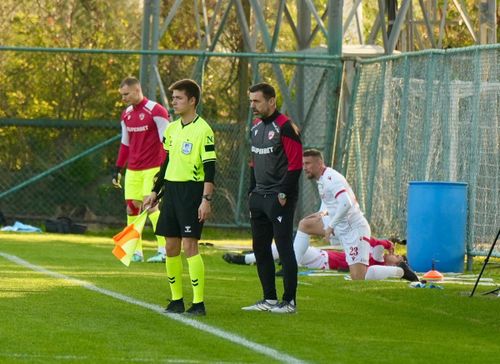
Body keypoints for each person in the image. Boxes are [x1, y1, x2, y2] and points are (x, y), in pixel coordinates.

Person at [144, 79, 216, 316]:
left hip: (192, 192)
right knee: (171, 246)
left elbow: (210, 168)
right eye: (173, 97)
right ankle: (176, 300)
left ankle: (198, 303)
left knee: (190, 246)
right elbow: (166, 163)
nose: (173, 101)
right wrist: (156, 191)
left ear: (192, 100)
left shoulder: (203, 130)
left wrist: (206, 200)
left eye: (178, 98)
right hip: (172, 193)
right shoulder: (172, 129)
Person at [243, 82, 303, 314]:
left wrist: (283, 193)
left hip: (279, 197)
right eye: (250, 101)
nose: (252, 106)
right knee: (260, 248)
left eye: (256, 101)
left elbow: (295, 164)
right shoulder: (256, 128)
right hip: (258, 196)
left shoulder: (286, 127)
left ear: (271, 101)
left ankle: (289, 301)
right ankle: (269, 299)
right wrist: (251, 192)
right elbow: (253, 163)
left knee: (284, 247)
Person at [112, 77, 170, 263]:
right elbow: (125, 143)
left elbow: (167, 142)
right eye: (121, 95)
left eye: (126, 94)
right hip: (133, 169)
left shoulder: (156, 111)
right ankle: (136, 252)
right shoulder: (126, 114)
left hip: (153, 167)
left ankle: (163, 250)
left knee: (151, 207)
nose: (123, 98)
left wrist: (165, 168)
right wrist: (118, 168)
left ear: (138, 90)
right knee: (131, 209)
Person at [296, 148, 373, 280]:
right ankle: (291, 266)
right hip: (340, 226)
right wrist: (321, 214)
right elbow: (330, 202)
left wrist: (331, 226)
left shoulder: (331, 179)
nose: (304, 168)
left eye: (308, 163)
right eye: (303, 164)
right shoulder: (321, 179)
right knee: (305, 224)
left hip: (354, 230)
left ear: (319, 163)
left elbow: (346, 203)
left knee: (358, 278)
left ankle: (397, 270)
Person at [223, 236, 419, 282]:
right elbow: (368, 240)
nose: (393, 254)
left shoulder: (377, 261)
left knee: (289, 246)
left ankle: (248, 259)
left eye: (397, 256)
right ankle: (249, 258)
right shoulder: (375, 259)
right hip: (321, 257)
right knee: (286, 247)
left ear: (397, 262)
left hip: (323, 260)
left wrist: (387, 244)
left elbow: (374, 243)